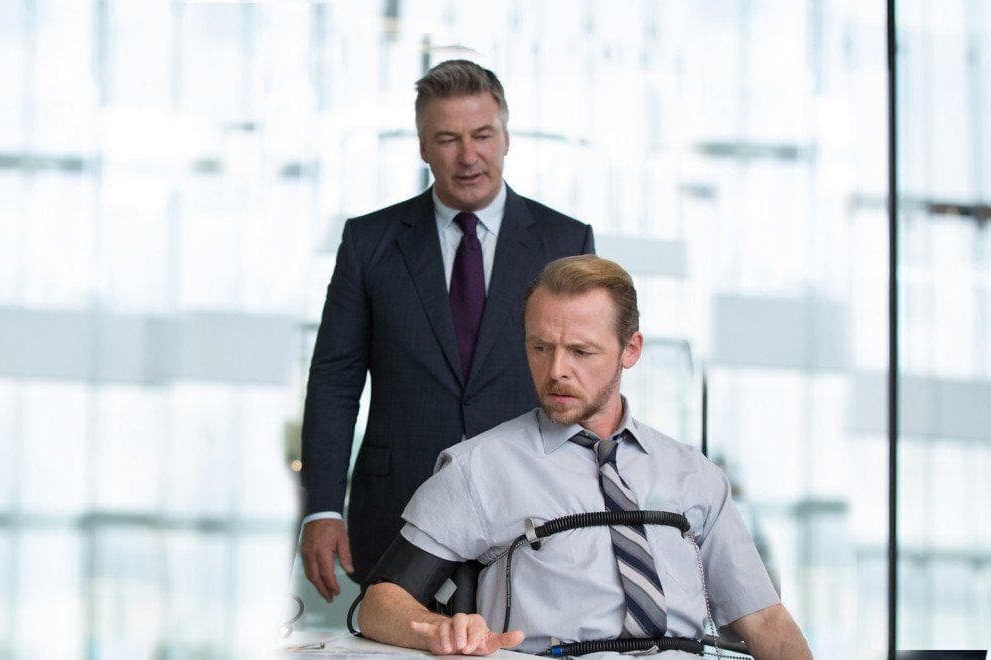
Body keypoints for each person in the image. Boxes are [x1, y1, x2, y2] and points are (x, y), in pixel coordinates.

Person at [357, 256, 813, 660]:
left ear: (630, 350)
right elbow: (378, 605)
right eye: (540, 347)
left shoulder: (693, 475)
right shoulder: (478, 468)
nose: (557, 370)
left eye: (581, 351)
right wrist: (441, 629)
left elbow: (765, 621)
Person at [299, 60, 595, 599]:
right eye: (447, 139)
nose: (468, 156)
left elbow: (588, 380)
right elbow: (334, 380)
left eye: (482, 135)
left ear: (506, 137)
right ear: (422, 147)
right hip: (396, 507)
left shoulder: (565, 242)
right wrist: (322, 506)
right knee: (391, 638)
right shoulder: (369, 242)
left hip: (532, 508)